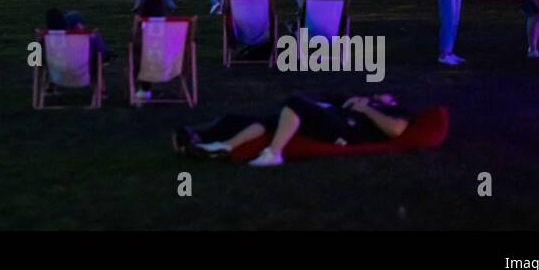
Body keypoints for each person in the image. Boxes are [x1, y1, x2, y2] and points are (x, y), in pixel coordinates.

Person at [175, 93, 412, 167]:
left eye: (385, 96)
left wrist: (366, 108)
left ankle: (274, 154)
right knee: (255, 121)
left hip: (342, 132)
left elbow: (396, 131)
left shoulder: (391, 113)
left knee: (294, 103)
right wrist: (354, 102)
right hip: (327, 118)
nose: (379, 94)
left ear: (392, 103)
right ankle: (209, 141)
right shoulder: (361, 100)